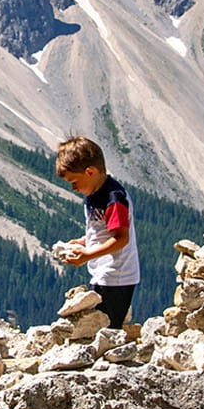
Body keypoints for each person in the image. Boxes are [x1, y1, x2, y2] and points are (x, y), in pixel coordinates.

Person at [54, 135, 139, 328]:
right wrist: (84, 242)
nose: (73, 188)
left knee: (107, 327)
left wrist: (88, 255)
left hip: (117, 274)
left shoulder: (113, 198)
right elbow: (102, 229)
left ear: (90, 172)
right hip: (104, 270)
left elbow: (120, 238)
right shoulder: (94, 193)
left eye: (74, 182)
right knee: (98, 323)